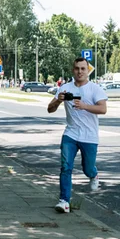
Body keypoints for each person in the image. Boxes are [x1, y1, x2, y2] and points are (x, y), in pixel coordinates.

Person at [47, 58, 108, 213]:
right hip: (71, 134)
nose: (79, 72)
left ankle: (94, 175)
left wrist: (85, 106)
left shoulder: (95, 89)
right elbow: (50, 109)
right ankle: (64, 201)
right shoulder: (65, 88)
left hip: (89, 136)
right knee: (66, 167)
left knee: (87, 168)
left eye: (83, 69)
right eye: (77, 69)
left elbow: (103, 109)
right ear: (72, 70)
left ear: (88, 71)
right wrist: (58, 101)